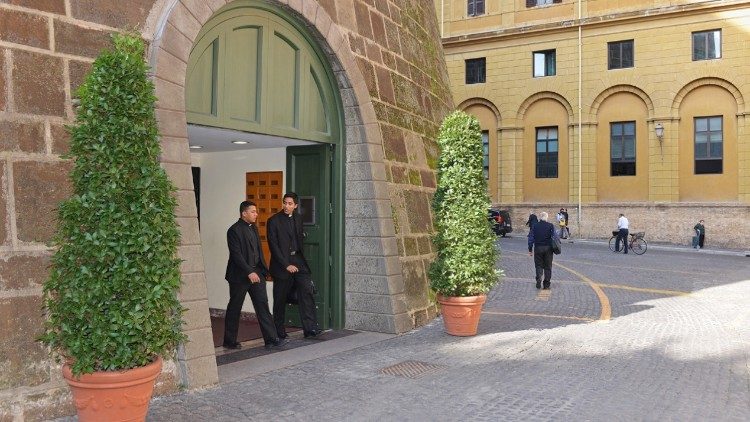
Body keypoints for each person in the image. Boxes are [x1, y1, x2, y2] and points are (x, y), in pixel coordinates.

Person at [223, 201, 285, 350]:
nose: (256, 214)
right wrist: (248, 272)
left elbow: (258, 251)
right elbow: (236, 255)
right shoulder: (233, 230)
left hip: (257, 273)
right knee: (235, 307)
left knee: (262, 305)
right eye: (253, 212)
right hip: (239, 275)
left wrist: (262, 271)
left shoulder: (254, 228)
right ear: (244, 213)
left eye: (256, 212)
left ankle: (271, 339)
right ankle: (229, 341)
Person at [268, 192, 323, 339]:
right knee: (280, 298)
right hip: (282, 265)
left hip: (299, 261)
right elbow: (274, 246)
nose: (286, 206)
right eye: (285, 203)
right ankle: (279, 332)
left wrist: (297, 259)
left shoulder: (298, 218)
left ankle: (310, 329)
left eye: (290, 204)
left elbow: (299, 240)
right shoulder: (273, 221)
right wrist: (286, 264)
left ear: (296, 206)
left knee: (307, 291)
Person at [528, 211, 559, 290]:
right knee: (548, 267)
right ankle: (546, 284)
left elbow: (531, 238)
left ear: (540, 218)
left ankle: (538, 278)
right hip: (548, 249)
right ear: (547, 217)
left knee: (538, 265)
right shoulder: (550, 226)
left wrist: (530, 249)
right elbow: (555, 237)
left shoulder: (535, 226)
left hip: (538, 248)